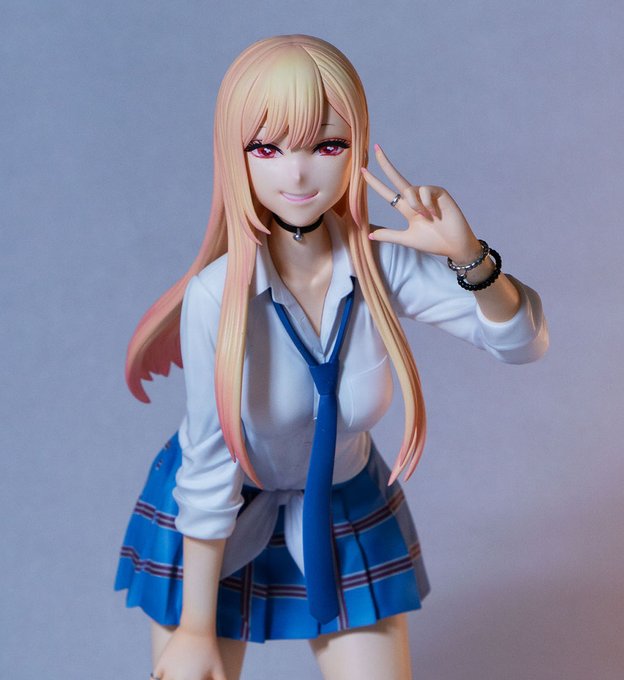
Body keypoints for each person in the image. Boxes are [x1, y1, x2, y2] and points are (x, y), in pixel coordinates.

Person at [115, 35, 548, 680]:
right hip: (218, 518)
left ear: (356, 146)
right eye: (267, 148)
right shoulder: (219, 295)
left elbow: (522, 344)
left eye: (326, 146)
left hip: (344, 504)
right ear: (234, 155)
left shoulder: (381, 263)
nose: (297, 175)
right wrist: (196, 627)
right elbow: (209, 463)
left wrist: (469, 258)